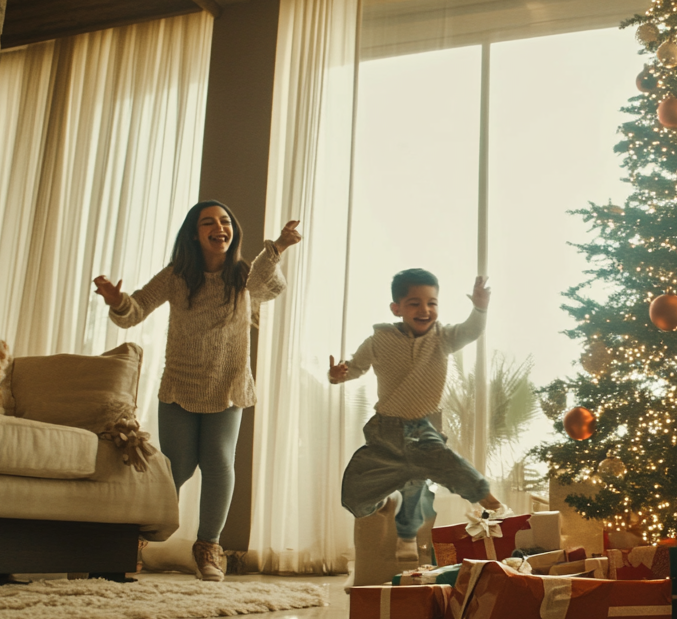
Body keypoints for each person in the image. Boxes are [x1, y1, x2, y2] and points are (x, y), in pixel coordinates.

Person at [92, 201, 302, 580]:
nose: (219, 227)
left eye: (225, 221)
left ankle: (209, 547)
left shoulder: (242, 274)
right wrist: (116, 301)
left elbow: (265, 285)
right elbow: (136, 309)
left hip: (228, 383)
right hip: (181, 383)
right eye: (209, 222)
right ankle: (133, 536)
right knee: (178, 465)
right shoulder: (177, 275)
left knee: (219, 464)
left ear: (232, 231)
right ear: (195, 233)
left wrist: (278, 247)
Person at [331, 268, 504, 561]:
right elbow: (355, 366)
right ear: (396, 308)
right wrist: (337, 374)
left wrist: (479, 308)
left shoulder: (443, 338)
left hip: (423, 428)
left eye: (432, 303)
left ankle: (487, 500)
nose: (425, 310)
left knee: (440, 462)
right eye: (414, 303)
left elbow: (472, 330)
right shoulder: (379, 340)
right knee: (354, 496)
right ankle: (392, 499)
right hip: (384, 430)